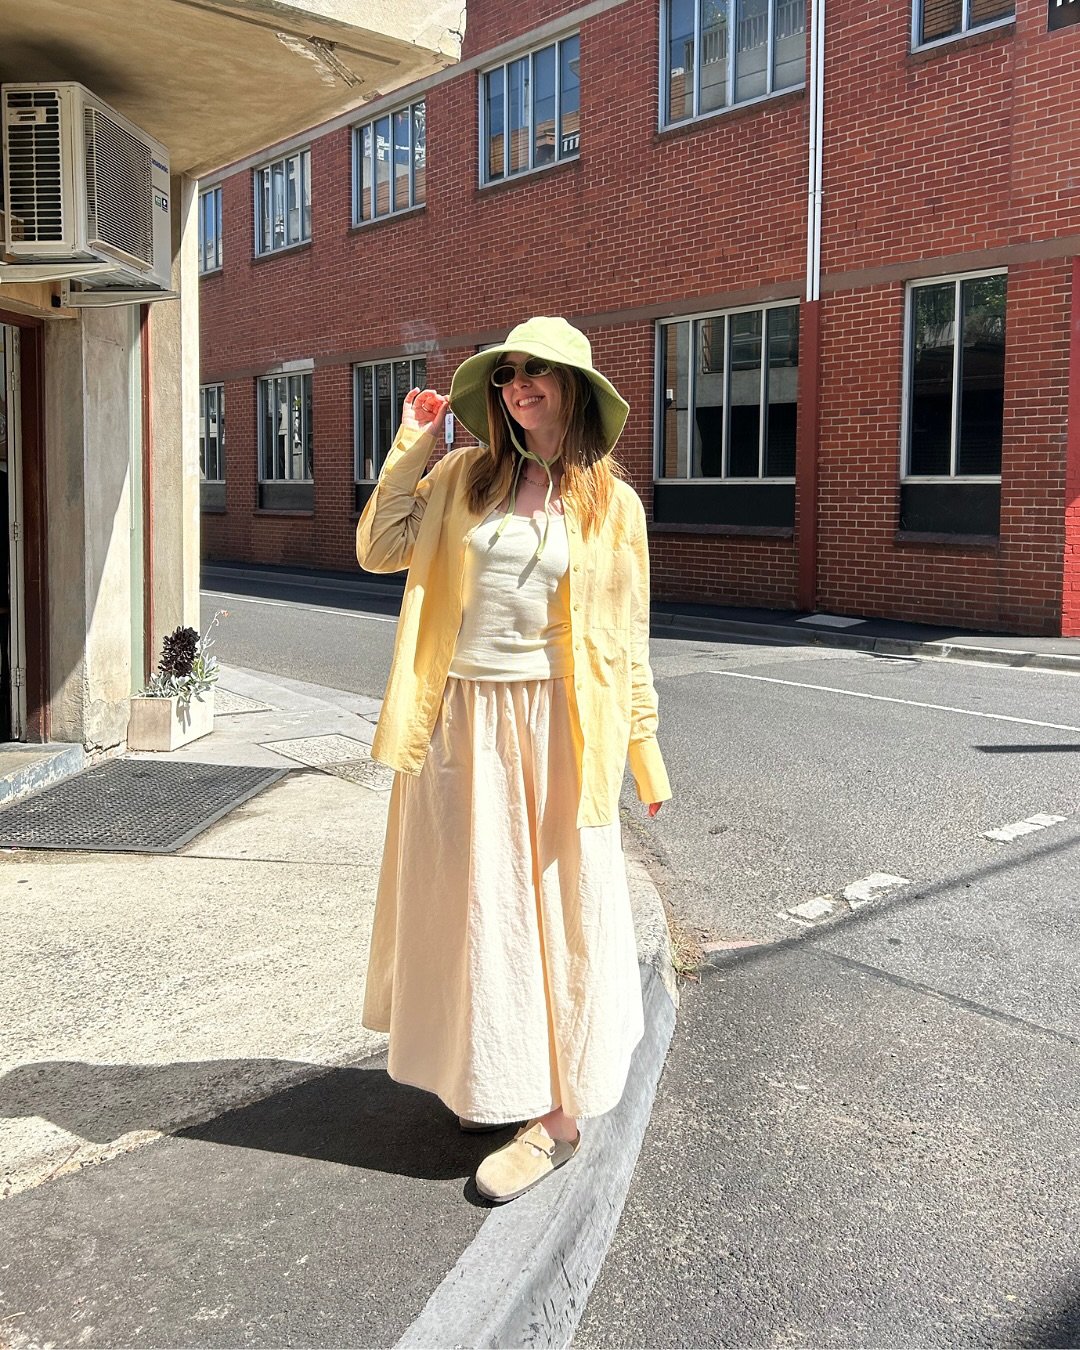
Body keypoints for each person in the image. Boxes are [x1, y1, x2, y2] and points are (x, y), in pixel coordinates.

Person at [356, 316, 671, 1204]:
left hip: (559, 728)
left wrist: (644, 755)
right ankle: (497, 1079)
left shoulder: (614, 508)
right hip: (459, 722)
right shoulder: (464, 477)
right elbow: (378, 548)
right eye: (507, 373)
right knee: (477, 910)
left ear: (576, 388)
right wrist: (413, 445)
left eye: (537, 371)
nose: (519, 384)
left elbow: (628, 642)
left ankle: (559, 1121)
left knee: (563, 914)